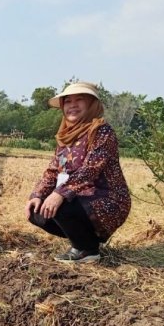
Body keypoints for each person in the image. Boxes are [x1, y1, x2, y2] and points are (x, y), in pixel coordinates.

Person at [24, 82, 131, 263]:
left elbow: (90, 169)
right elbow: (52, 171)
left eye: (79, 100)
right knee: (37, 211)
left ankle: (87, 250)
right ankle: (84, 241)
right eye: (67, 101)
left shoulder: (101, 131)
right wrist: (37, 195)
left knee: (61, 205)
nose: (72, 105)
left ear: (91, 104)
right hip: (80, 199)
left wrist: (59, 194)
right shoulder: (66, 136)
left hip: (107, 199)